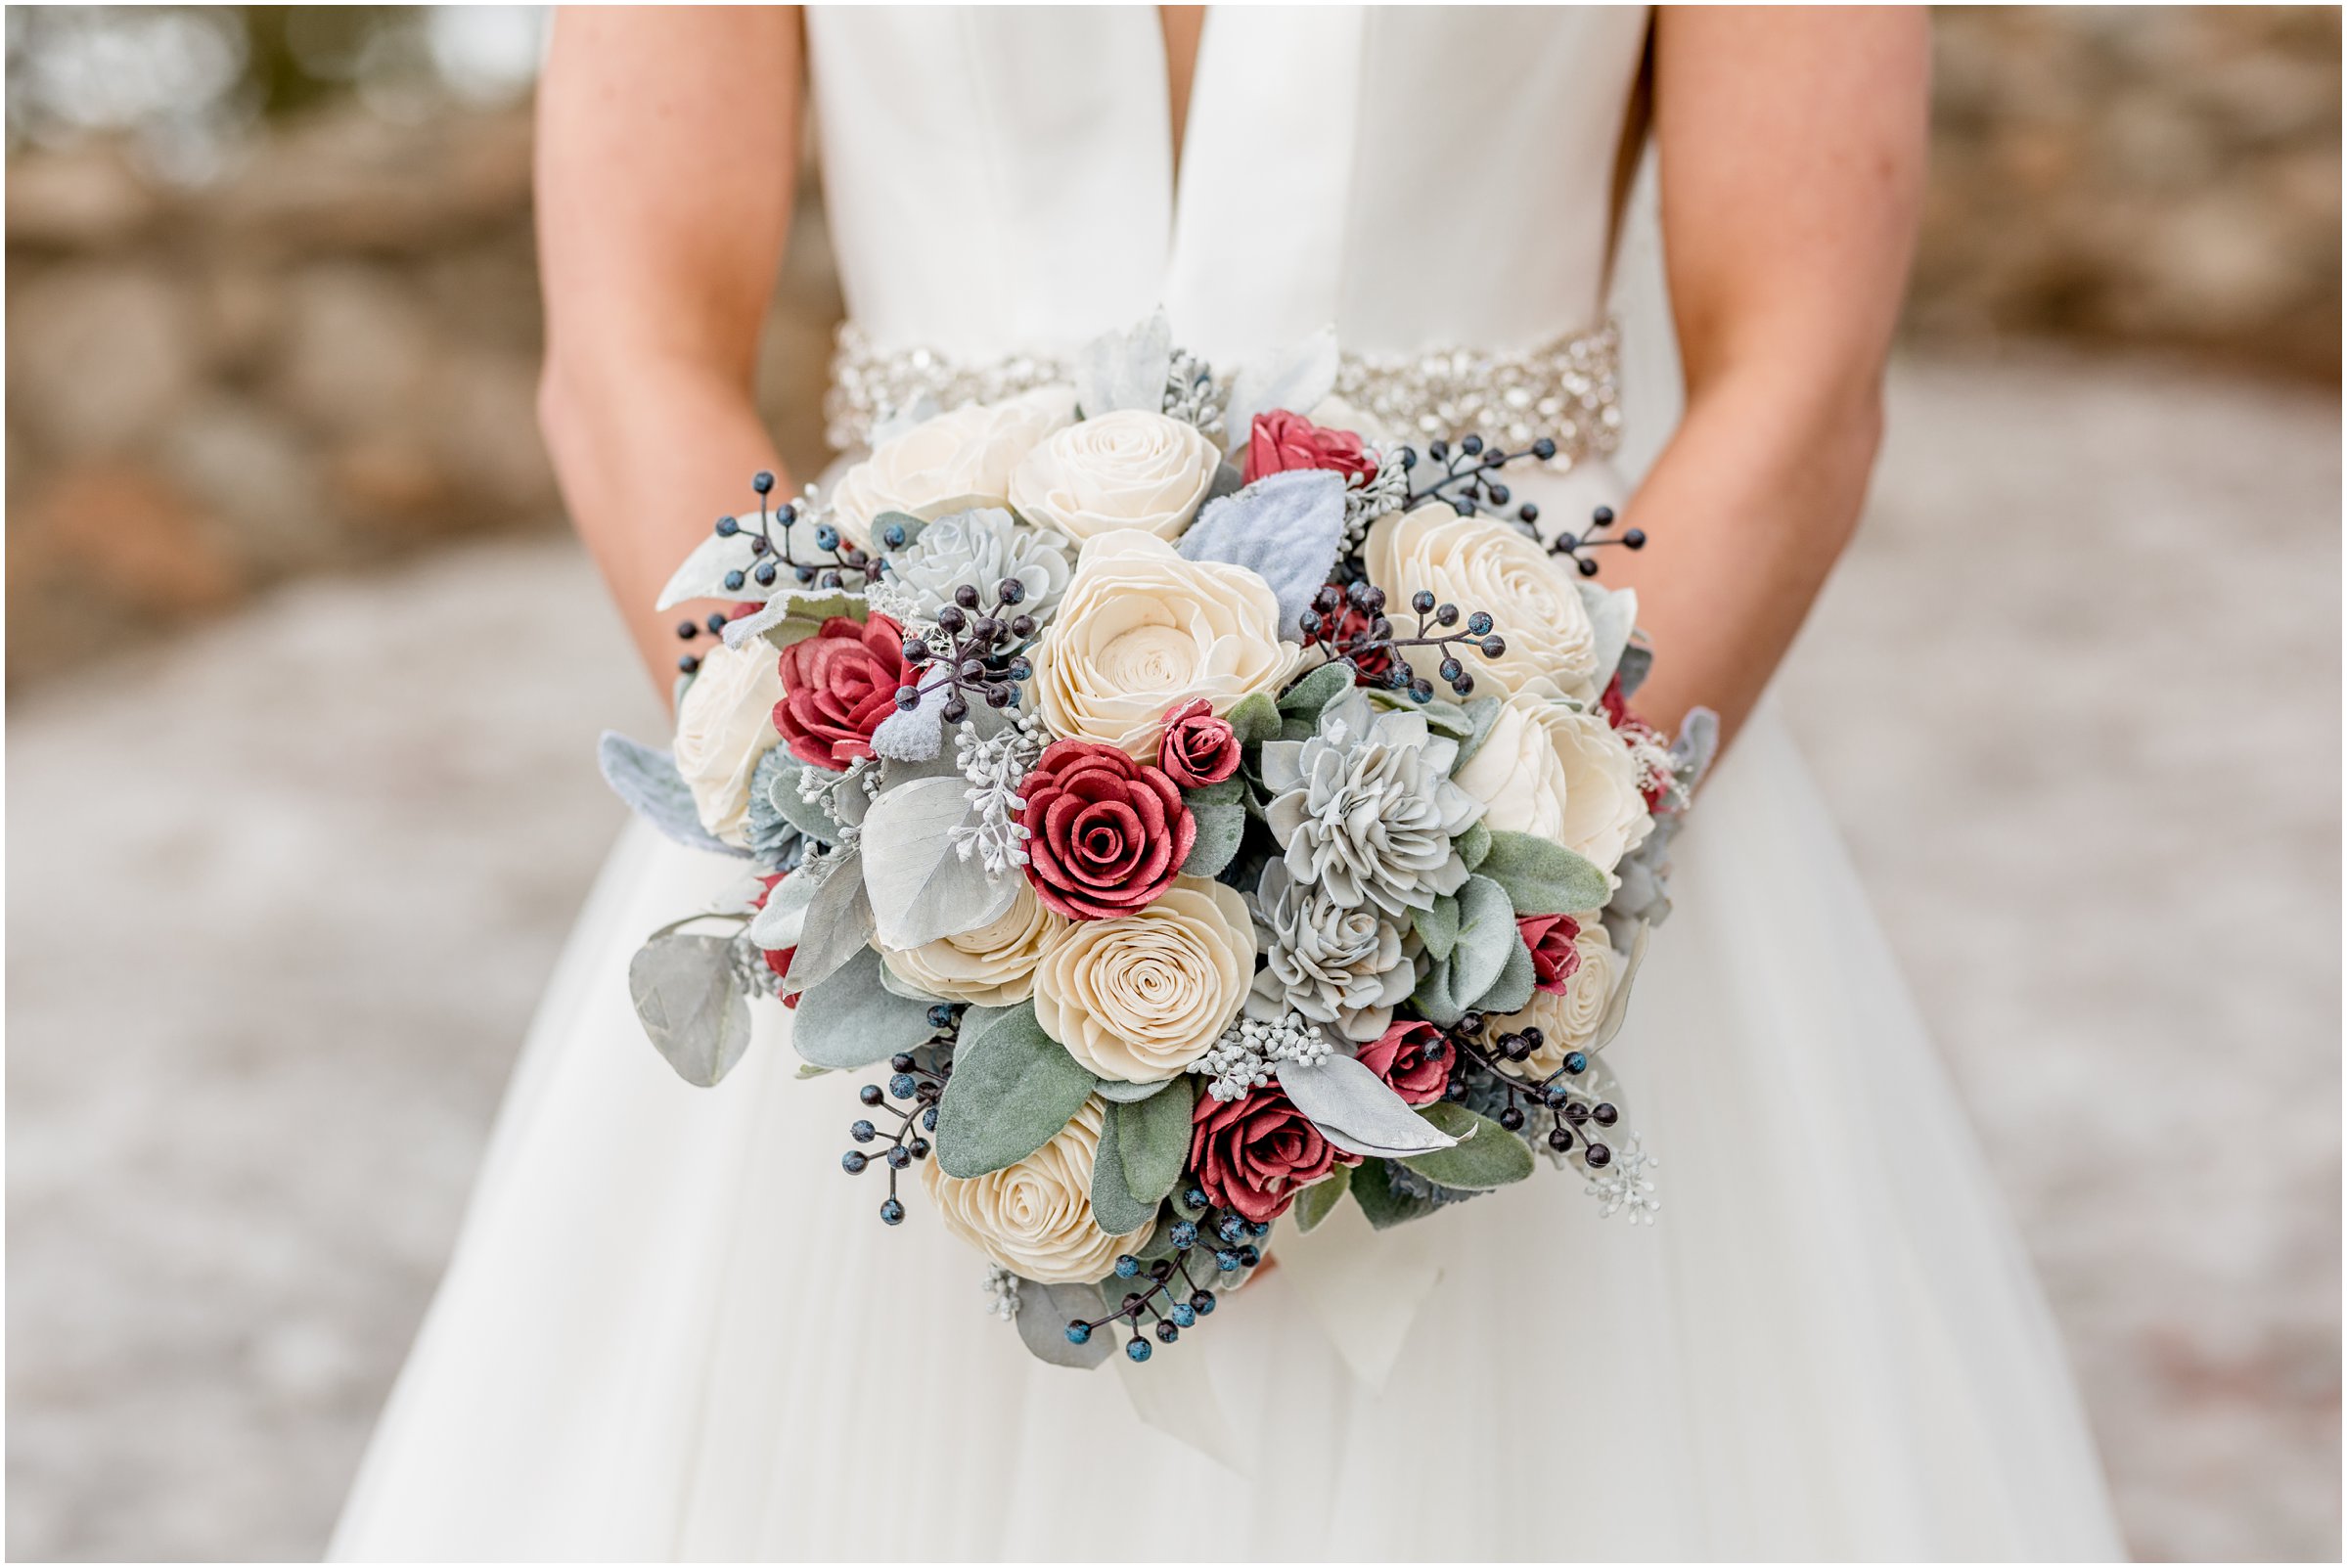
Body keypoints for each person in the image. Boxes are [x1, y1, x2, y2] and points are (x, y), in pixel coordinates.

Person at [334, 8, 2123, 1558]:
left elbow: (1798, 376)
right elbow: (631, 350)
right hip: (896, 833)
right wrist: (872, 839)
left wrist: (1454, 901)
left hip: (1535, 800)